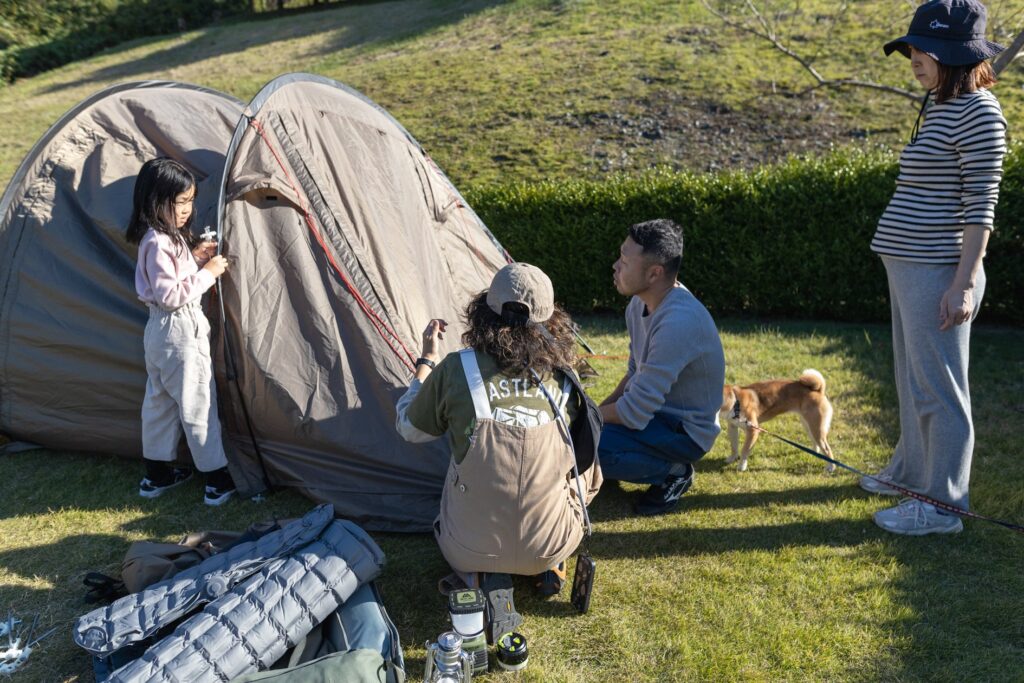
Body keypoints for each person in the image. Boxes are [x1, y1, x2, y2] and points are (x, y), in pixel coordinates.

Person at [395, 263, 602, 640]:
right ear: (552, 320)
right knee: (586, 469)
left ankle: (478, 575)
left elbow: (409, 429)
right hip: (552, 541)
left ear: (483, 311)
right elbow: (583, 458)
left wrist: (426, 362)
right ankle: (549, 565)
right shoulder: (566, 376)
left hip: (467, 546)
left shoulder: (458, 368)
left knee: (461, 468)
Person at [863, 0, 1007, 535]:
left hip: (939, 267)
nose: (914, 58)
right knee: (911, 379)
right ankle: (909, 472)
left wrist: (964, 282)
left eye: (926, 51)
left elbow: (981, 204)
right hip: (908, 264)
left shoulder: (981, 112)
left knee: (939, 389)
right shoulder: (943, 102)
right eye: (913, 49)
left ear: (956, 55)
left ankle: (943, 503)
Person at [126, 157, 237, 506]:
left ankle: (156, 476)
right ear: (157, 201)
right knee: (197, 402)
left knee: (160, 402)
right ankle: (218, 481)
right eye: (181, 202)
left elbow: (173, 277)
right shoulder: (159, 242)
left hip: (160, 334)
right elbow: (172, 295)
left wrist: (196, 257)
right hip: (178, 332)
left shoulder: (161, 238)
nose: (188, 209)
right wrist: (210, 273)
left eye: (190, 201)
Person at [598, 219, 725, 516]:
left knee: (582, 445)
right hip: (655, 416)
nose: (616, 266)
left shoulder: (678, 323)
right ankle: (609, 458)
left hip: (684, 431)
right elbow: (634, 372)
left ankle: (673, 472)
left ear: (654, 273)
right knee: (583, 439)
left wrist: (585, 419)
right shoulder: (638, 304)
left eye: (625, 261)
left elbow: (633, 411)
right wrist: (595, 414)